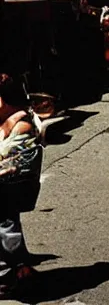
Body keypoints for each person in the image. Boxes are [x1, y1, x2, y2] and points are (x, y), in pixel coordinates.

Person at [0, 74, 41, 298]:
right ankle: (20, 268)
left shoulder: (22, 126)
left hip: (13, 185)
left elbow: (12, 166)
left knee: (5, 220)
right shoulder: (5, 119)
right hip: (6, 186)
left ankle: (11, 275)